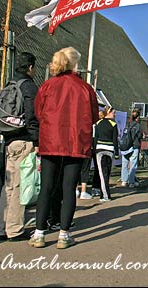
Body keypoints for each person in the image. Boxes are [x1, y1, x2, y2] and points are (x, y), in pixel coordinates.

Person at [29, 47, 99, 249]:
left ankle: (40, 233)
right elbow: (94, 116)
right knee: (69, 189)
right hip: (75, 142)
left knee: (46, 188)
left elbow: (38, 112)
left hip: (50, 141)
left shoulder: (48, 85)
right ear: (76, 63)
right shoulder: (85, 88)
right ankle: (64, 234)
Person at [0, 52, 39, 241]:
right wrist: (36, 140)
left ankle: (2, 227)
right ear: (30, 67)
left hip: (9, 139)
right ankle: (15, 229)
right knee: (21, 185)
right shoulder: (28, 86)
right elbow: (32, 116)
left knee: (9, 186)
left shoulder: (9, 84)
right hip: (24, 140)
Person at [93, 105, 118, 201]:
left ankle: (105, 195)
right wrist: (116, 153)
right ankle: (106, 195)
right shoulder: (113, 124)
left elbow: (96, 138)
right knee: (107, 172)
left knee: (102, 173)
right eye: (114, 113)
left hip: (100, 149)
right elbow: (115, 140)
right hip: (110, 149)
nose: (114, 115)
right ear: (109, 112)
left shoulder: (98, 123)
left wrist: (95, 150)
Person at [121, 109, 143, 188]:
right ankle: (131, 182)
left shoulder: (127, 124)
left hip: (126, 146)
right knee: (133, 164)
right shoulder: (138, 125)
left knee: (125, 163)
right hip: (134, 146)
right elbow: (140, 136)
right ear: (138, 117)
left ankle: (124, 180)